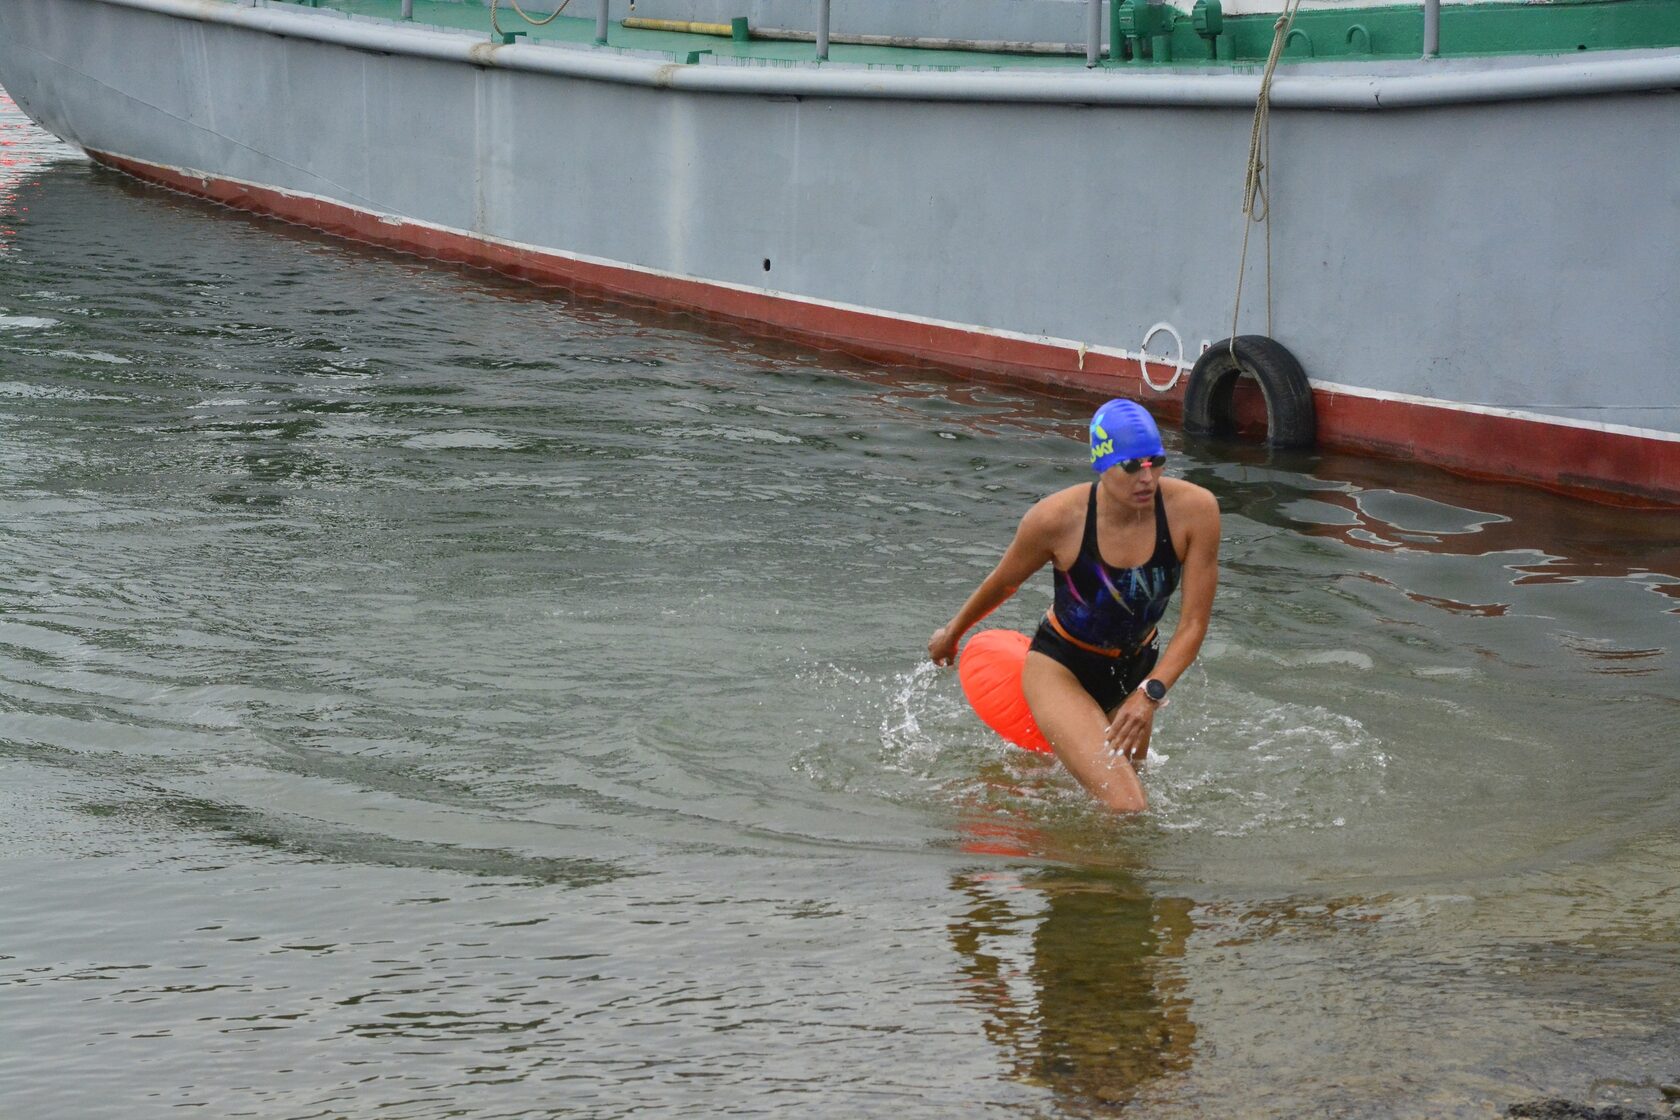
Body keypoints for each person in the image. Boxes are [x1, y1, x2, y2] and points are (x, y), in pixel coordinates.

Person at [927, 400, 1220, 813]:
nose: (1148, 477)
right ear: (1101, 464)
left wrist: (1149, 693)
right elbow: (1004, 583)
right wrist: (951, 633)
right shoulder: (1057, 519)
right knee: (1127, 806)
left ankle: (1034, 821)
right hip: (1062, 667)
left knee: (1127, 796)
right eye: (1132, 466)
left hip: (1137, 671)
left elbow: (1193, 624)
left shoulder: (1195, 511)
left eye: (1156, 462)